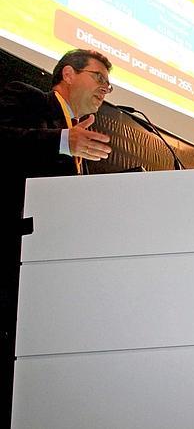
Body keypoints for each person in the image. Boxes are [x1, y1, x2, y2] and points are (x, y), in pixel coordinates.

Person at [0, 48, 113, 425]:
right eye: (99, 77)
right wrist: (63, 142)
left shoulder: (81, 131)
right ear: (68, 73)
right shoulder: (27, 98)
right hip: (14, 258)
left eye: (108, 85)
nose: (105, 88)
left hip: (55, 267)